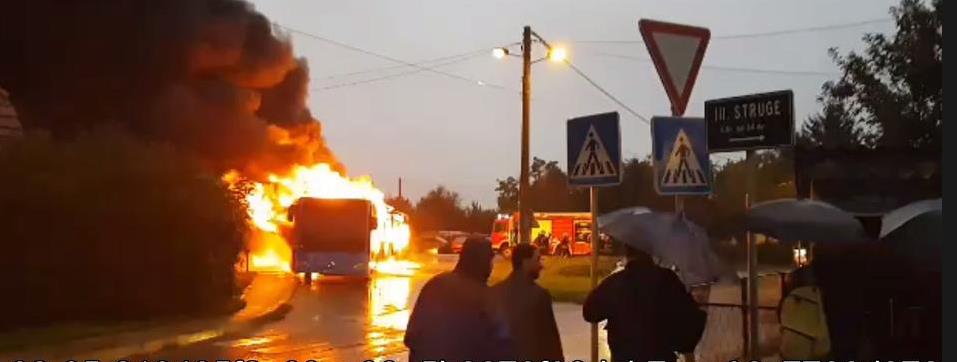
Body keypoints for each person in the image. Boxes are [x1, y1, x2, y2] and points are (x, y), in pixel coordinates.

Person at [583, 245, 705, 362]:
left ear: (627, 254)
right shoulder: (667, 279)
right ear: (650, 252)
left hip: (624, 356)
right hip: (661, 354)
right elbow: (689, 315)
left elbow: (589, 313)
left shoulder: (616, 282)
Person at [404, 237, 508, 362]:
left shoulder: (435, 285)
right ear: (484, 262)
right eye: (490, 261)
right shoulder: (487, 297)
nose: (491, 267)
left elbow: (411, 336)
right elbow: (502, 344)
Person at [490, 243, 564, 361]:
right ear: (525, 262)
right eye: (537, 259)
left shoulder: (495, 292)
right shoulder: (539, 296)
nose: (541, 266)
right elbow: (551, 341)